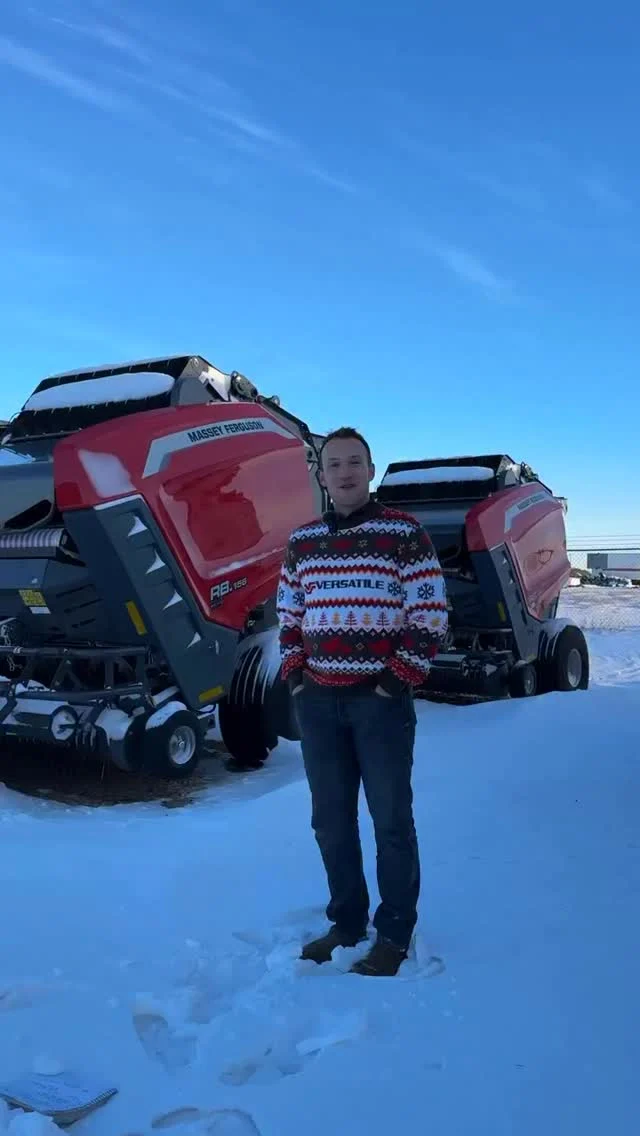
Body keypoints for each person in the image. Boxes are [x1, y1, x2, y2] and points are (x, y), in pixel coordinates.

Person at [276, 427, 448, 977]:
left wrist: (393, 682)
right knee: (330, 821)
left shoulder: (403, 533)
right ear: (322, 476)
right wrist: (297, 678)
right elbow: (289, 616)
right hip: (320, 703)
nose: (345, 472)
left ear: (370, 470)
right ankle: (346, 922)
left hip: (380, 705)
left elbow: (430, 616)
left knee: (391, 820)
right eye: (334, 464)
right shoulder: (303, 541)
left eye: (355, 462)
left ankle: (393, 933)